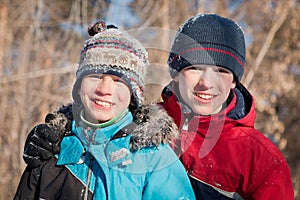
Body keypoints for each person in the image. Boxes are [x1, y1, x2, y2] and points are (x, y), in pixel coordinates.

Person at [21, 14, 294, 199]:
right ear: (175, 72)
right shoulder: (146, 120)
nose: (206, 84)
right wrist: (59, 128)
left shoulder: (260, 159)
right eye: (195, 68)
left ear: (235, 80)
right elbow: (102, 117)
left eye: (221, 71)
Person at [14, 20, 195, 200]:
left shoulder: (154, 157)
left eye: (118, 81)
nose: (104, 89)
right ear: (78, 86)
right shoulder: (51, 146)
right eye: (95, 76)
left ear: (134, 95)